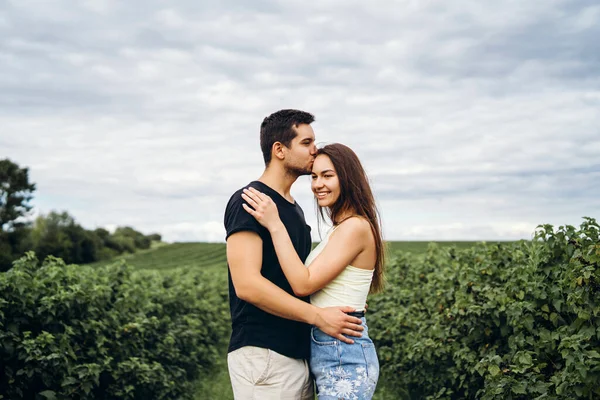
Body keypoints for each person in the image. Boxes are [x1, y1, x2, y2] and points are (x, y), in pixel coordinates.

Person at [224, 110, 365, 400]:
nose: (315, 149)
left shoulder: (293, 210)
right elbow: (247, 285)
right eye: (306, 142)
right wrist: (318, 317)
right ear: (279, 150)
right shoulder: (251, 201)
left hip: (297, 353)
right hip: (264, 353)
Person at [241, 142, 385, 399]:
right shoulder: (341, 228)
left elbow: (303, 284)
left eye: (328, 175)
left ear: (348, 178)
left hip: (344, 352)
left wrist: (275, 225)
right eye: (315, 176)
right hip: (333, 348)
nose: (318, 184)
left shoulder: (355, 228)